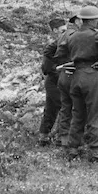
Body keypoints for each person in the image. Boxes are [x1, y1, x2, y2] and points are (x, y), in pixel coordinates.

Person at [55, 5, 98, 162]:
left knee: (77, 113)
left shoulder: (72, 36)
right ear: (92, 20)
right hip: (92, 75)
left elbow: (60, 53)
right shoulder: (97, 35)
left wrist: (72, 62)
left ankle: (73, 148)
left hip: (76, 76)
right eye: (97, 19)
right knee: (95, 113)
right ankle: (95, 151)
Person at [38, 17, 67, 145]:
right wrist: (59, 70)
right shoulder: (52, 46)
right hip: (54, 81)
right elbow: (46, 68)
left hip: (60, 81)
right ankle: (60, 137)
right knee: (64, 107)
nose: (65, 33)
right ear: (55, 30)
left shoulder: (65, 43)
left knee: (50, 109)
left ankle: (44, 137)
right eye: (62, 30)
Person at [55, 13, 81, 147]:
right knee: (76, 108)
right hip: (73, 73)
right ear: (76, 20)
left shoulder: (65, 34)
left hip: (64, 74)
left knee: (65, 107)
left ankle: (62, 137)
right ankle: (72, 141)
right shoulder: (74, 35)